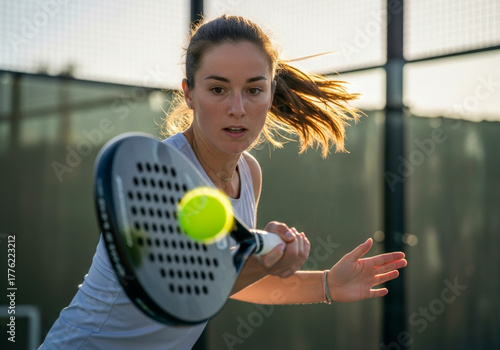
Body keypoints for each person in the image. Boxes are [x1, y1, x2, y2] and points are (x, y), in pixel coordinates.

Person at [39, 15, 407, 350]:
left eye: (253, 89)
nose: (237, 108)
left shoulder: (248, 173)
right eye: (217, 89)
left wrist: (327, 284)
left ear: (270, 92)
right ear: (189, 93)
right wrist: (264, 262)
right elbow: (187, 293)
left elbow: (229, 277)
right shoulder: (156, 174)